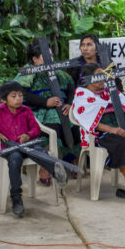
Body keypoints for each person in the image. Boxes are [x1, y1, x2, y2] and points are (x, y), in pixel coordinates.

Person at [0, 82, 70, 218]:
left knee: (40, 151)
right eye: (13, 96)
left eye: (20, 95)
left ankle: (56, 172)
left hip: (28, 144)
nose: (18, 99)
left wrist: (28, 135)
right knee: (15, 158)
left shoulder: (26, 110)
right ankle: (16, 198)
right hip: (10, 148)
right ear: (4, 100)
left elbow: (36, 129)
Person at [72, 63, 125, 200]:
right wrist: (113, 130)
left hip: (122, 126)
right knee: (120, 143)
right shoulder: (82, 95)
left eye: (103, 75)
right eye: (98, 76)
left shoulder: (111, 90)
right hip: (102, 132)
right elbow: (91, 122)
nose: (103, 79)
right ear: (88, 79)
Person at [12, 41, 79, 181]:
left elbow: (72, 89)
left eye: (51, 55)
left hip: (62, 110)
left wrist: (69, 103)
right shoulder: (28, 71)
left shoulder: (59, 72)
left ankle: (73, 161)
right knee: (53, 127)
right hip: (38, 113)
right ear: (34, 59)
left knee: (75, 126)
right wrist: (45, 102)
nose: (50, 59)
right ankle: (45, 167)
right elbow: (20, 93)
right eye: (45, 56)